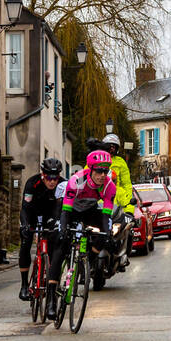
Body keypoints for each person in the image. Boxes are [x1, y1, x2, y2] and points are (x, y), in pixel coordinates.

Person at [46, 150, 117, 319]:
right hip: (70, 210)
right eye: (98, 171)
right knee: (60, 247)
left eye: (105, 171)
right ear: (90, 169)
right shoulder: (77, 180)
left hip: (89, 211)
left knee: (106, 236)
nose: (101, 175)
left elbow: (106, 216)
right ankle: (51, 301)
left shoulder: (109, 186)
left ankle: (88, 262)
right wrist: (63, 229)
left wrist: (108, 235)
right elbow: (65, 210)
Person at [18, 158, 64, 301]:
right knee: (25, 243)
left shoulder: (63, 184)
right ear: (43, 175)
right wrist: (25, 225)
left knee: (53, 247)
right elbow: (25, 208)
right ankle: (24, 285)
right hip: (32, 215)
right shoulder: (32, 183)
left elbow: (63, 210)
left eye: (55, 178)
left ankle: (52, 282)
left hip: (51, 217)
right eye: (48, 177)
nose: (52, 181)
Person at [101, 134, 135, 269]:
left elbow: (127, 185)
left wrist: (129, 212)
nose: (111, 149)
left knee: (128, 230)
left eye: (113, 146)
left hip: (117, 206)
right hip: (101, 207)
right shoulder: (96, 158)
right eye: (108, 146)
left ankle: (123, 256)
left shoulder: (121, 162)